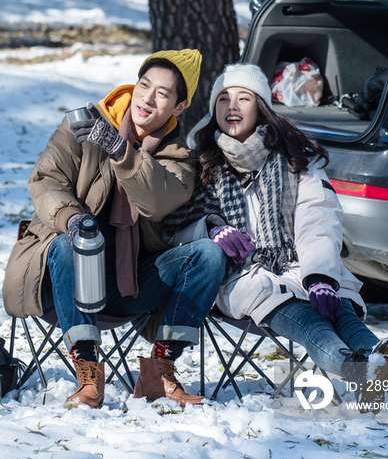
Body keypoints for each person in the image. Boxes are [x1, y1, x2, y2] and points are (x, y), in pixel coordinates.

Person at [163, 63, 388, 427]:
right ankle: (374, 378)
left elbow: (318, 220)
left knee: (340, 312)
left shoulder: (295, 161)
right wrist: (208, 229)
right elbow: (172, 229)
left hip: (300, 266)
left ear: (261, 105)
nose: (232, 105)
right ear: (213, 109)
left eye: (244, 98)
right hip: (241, 277)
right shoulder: (201, 164)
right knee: (310, 323)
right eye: (223, 98)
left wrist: (319, 275)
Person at [3, 49, 228, 410]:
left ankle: (160, 370)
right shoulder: (81, 126)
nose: (148, 98)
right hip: (59, 280)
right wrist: (73, 219)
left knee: (207, 255)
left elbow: (157, 200)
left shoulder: (178, 158)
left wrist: (120, 150)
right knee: (67, 244)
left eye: (163, 94)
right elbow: (45, 181)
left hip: (128, 287)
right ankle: (88, 372)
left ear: (179, 107)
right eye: (144, 85)